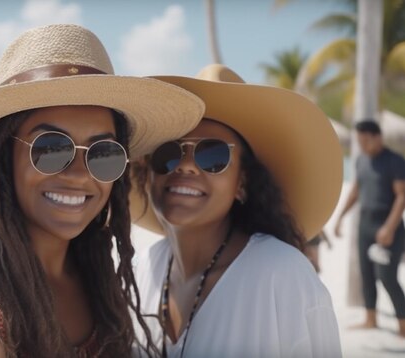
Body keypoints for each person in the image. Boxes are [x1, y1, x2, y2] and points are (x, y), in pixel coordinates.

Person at [0, 24, 205, 357]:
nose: (78, 174)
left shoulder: (96, 279)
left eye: (104, 152)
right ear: (1, 157)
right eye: (52, 148)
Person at [129, 64, 343, 357]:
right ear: (147, 173)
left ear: (242, 183)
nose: (185, 165)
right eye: (169, 151)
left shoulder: (281, 275)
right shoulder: (140, 271)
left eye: (212, 154)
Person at [334, 120, 405, 337]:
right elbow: (356, 190)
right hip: (365, 224)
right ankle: (370, 319)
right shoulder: (361, 160)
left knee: (386, 275)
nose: (362, 146)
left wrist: (389, 228)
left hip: (387, 224)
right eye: (359, 141)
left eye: (365, 141)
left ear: (377, 137)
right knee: (366, 273)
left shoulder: (394, 161)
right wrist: (340, 217)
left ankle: (403, 326)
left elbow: (402, 196)